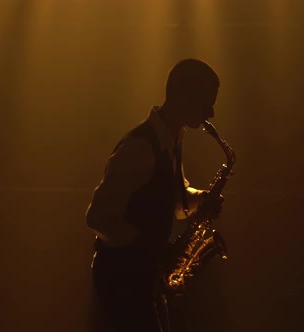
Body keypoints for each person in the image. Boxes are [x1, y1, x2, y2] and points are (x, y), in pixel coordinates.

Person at [86, 58, 224, 332]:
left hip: (141, 277)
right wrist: (149, 249)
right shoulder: (139, 148)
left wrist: (202, 198)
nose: (211, 112)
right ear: (182, 97)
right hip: (121, 281)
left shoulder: (171, 139)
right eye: (206, 102)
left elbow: (176, 202)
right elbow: (98, 218)